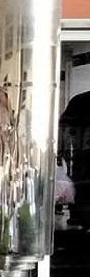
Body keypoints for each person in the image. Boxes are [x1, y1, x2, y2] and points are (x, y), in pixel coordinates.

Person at [60, 91, 90, 228]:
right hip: (80, 156)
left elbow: (65, 128)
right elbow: (65, 128)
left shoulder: (79, 100)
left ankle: (78, 217)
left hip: (79, 156)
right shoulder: (80, 101)